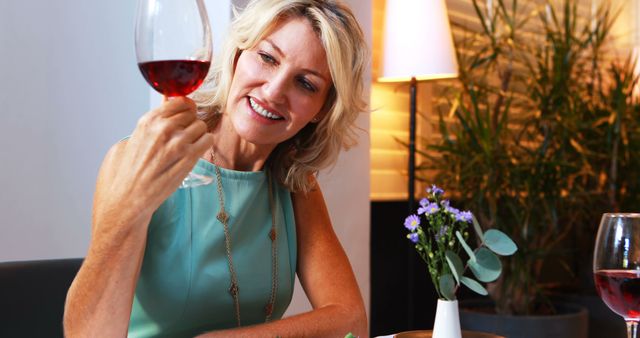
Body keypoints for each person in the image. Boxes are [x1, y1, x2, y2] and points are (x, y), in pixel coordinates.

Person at [63, 0, 369, 337]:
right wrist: (132, 203)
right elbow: (87, 334)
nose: (274, 91)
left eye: (306, 84)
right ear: (237, 56)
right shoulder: (135, 160)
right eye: (267, 58)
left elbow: (349, 318)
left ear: (321, 110)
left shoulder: (294, 182)